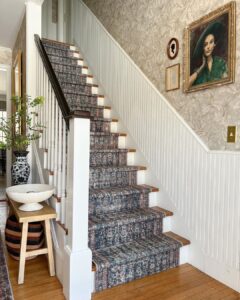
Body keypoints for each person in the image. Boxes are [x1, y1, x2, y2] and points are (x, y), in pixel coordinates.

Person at [188, 21, 228, 88]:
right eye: (205, 44)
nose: (208, 47)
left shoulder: (221, 63)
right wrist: (201, 67)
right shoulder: (197, 70)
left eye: (211, 42)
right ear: (202, 48)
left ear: (214, 44)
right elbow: (187, 85)